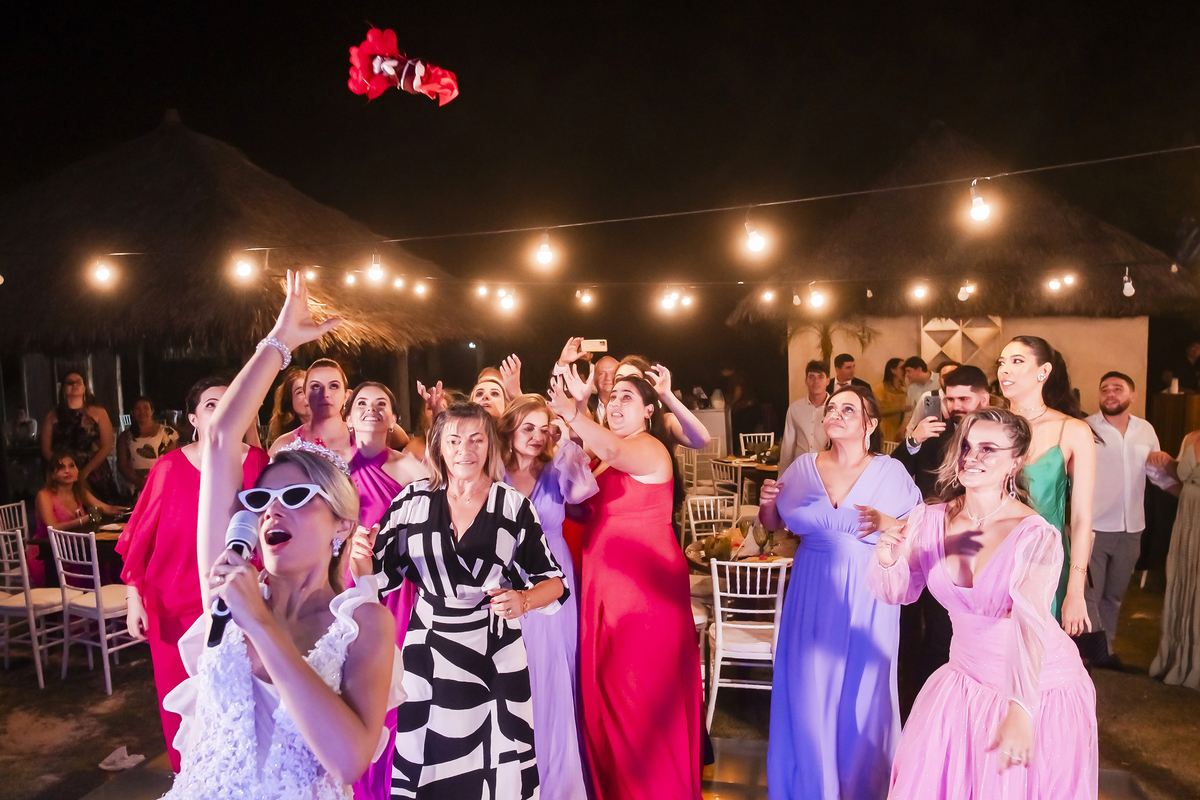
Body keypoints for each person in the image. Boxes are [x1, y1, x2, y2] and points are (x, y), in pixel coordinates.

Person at [164, 271, 398, 799]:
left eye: (294, 498)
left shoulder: (363, 623)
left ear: (341, 523)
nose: (271, 511)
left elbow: (347, 760)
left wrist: (262, 625)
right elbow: (223, 436)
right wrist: (280, 342)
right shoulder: (227, 588)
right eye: (260, 499)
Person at [867, 408, 1098, 798]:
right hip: (964, 679)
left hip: (1039, 686)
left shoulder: (1034, 534)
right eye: (967, 447)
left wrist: (1022, 709)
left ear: (1016, 460)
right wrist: (888, 559)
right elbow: (898, 594)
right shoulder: (928, 518)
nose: (972, 458)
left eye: (988, 449)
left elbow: (1031, 623)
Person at [364, 399, 567, 799]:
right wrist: (359, 557)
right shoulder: (411, 502)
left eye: (476, 440)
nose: (465, 450)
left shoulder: (514, 506)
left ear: (490, 446)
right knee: (428, 755)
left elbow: (554, 582)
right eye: (454, 440)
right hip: (429, 650)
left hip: (496, 651)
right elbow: (377, 578)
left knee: (496, 763)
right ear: (439, 446)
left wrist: (524, 600)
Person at [759, 385, 921, 800]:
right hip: (811, 591)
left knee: (862, 695)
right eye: (832, 408)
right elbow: (774, 524)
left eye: (849, 408)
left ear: (870, 423)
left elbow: (919, 537)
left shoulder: (890, 473)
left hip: (867, 596)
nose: (837, 413)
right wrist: (766, 505)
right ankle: (811, 788)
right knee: (809, 689)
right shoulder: (801, 467)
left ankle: (859, 788)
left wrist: (889, 522)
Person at [548, 372, 703, 800]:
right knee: (609, 696)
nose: (615, 404)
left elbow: (613, 444)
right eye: (612, 397)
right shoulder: (602, 459)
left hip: (643, 593)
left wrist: (573, 413)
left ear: (649, 411)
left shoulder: (648, 449)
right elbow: (582, 513)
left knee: (640, 695)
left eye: (627, 398)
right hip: (603, 586)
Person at [117, 377, 270, 771]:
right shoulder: (168, 467)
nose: (221, 412)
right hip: (173, 608)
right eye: (211, 406)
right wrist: (134, 598)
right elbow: (140, 537)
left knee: (240, 707)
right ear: (193, 420)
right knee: (181, 707)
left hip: (240, 607)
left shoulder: (258, 461)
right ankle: (187, 782)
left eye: (230, 403)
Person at [499, 394, 598, 800]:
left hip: (554, 583)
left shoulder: (557, 471)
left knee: (555, 676)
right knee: (512, 675)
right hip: (506, 583)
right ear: (509, 430)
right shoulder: (491, 473)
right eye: (529, 428)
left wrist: (570, 438)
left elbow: (581, 498)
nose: (538, 437)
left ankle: (558, 783)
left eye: (545, 429)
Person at [343, 381, 429, 800]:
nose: (371, 410)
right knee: (349, 686)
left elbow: (435, 532)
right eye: (361, 403)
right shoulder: (334, 467)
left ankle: (389, 787)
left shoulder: (413, 468)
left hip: (397, 592)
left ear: (393, 418)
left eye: (382, 404)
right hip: (345, 590)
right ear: (348, 416)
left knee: (393, 691)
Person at [890, 365, 990, 714]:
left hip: (969, 543)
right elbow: (895, 472)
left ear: (983, 398)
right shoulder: (932, 432)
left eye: (964, 398)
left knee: (947, 629)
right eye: (950, 398)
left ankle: (946, 706)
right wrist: (913, 441)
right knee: (911, 626)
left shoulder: (994, 437)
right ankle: (909, 704)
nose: (956, 405)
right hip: (924, 540)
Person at [997, 336, 1097, 634]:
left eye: (1017, 361)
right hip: (992, 561)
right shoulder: (990, 427)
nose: (1005, 370)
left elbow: (1080, 519)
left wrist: (1075, 590)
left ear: (1044, 371)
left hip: (1046, 566)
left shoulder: (1073, 430)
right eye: (1002, 363)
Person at [1086, 372, 1177, 666]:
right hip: (1094, 528)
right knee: (1089, 596)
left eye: (1118, 388)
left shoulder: (1145, 430)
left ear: (1132, 396)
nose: (1110, 393)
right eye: (1105, 389)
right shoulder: (1087, 428)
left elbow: (1157, 473)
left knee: (1113, 597)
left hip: (1131, 529)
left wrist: (1187, 492)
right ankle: (1084, 655)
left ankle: (1106, 652)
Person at [1151, 427, 1200, 687]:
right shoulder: (1190, 437)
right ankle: (1178, 659)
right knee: (1184, 585)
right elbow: (1184, 484)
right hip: (1187, 522)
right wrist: (1168, 464)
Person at [41, 372, 121, 503]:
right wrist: (64, 467)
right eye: (70, 383)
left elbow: (106, 446)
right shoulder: (52, 415)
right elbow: (46, 449)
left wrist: (85, 471)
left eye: (78, 381)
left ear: (84, 387)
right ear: (63, 389)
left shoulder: (99, 412)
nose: (74, 385)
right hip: (64, 473)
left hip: (94, 470)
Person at [270, 358, 355, 463]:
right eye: (316, 386)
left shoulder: (365, 438)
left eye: (333, 386)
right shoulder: (284, 445)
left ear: (346, 395)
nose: (325, 394)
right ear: (305, 395)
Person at [35, 452, 126, 538]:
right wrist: (83, 520)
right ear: (52, 475)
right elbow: (53, 528)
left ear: (78, 471)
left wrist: (129, 511)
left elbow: (106, 508)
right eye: (61, 468)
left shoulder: (79, 491)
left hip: (74, 544)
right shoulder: (44, 495)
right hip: (47, 547)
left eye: (71, 466)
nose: (67, 471)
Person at [116, 396, 179, 494]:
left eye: (146, 408)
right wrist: (140, 481)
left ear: (152, 410)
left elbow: (170, 462)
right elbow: (122, 465)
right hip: (136, 486)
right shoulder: (125, 436)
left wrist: (156, 482)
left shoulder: (167, 433)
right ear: (132, 412)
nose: (142, 412)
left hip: (162, 483)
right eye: (138, 409)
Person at [779, 360, 829, 473]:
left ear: (828, 381)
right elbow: (788, 446)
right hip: (800, 470)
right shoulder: (795, 408)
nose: (816, 381)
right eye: (811, 377)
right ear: (805, 381)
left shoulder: (836, 409)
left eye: (820, 377)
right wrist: (782, 477)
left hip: (826, 471)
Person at [903, 360, 961, 439]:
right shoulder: (930, 397)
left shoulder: (969, 399)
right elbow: (911, 428)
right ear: (939, 380)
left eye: (954, 376)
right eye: (945, 376)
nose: (950, 379)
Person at [267, 366, 311, 447]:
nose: (307, 395)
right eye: (300, 392)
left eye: (311, 389)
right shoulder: (283, 443)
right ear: (289, 401)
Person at [900, 357, 939, 434]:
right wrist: (902, 429)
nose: (906, 375)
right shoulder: (911, 388)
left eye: (908, 371)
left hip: (938, 425)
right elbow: (909, 412)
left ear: (919, 370)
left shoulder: (939, 380)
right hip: (919, 428)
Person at [875, 358, 907, 443]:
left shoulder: (906, 390)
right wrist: (901, 409)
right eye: (902, 368)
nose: (905, 371)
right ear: (893, 370)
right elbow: (877, 411)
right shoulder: (880, 388)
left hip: (902, 432)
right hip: (885, 432)